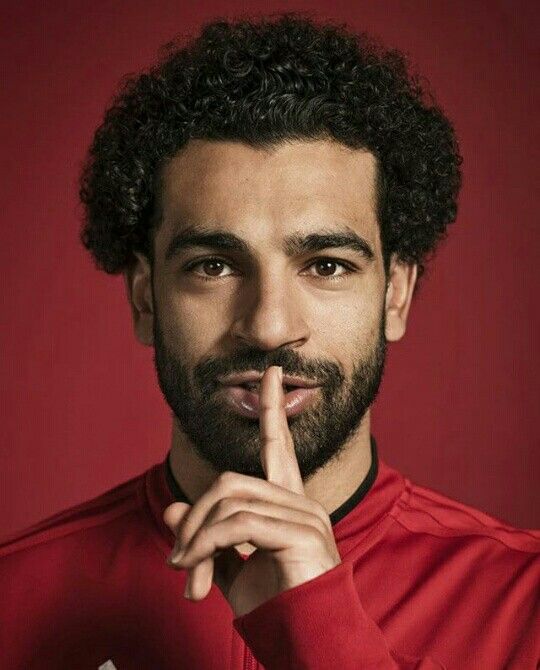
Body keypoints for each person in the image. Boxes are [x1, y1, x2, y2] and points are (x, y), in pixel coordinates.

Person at [0, 13, 538, 670]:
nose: (269, 326)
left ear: (396, 294)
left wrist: (320, 624)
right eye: (214, 266)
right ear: (145, 298)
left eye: (327, 265)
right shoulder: (12, 600)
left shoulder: (525, 603)